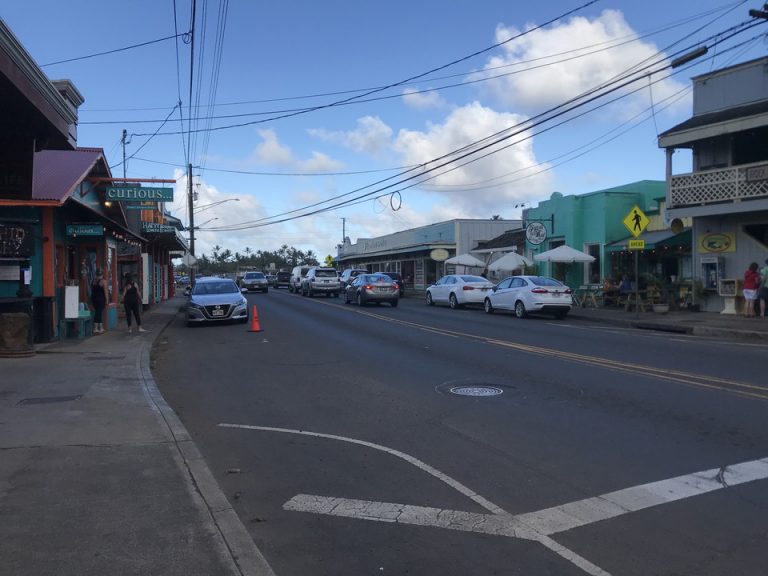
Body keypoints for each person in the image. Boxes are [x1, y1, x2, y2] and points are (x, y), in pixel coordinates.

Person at [90, 269, 107, 334]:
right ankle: (95, 328)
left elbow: (92, 291)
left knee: (98, 312)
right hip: (100, 299)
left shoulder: (93, 281)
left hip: (94, 299)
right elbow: (105, 292)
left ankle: (100, 328)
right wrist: (107, 300)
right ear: (102, 274)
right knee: (98, 313)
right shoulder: (103, 281)